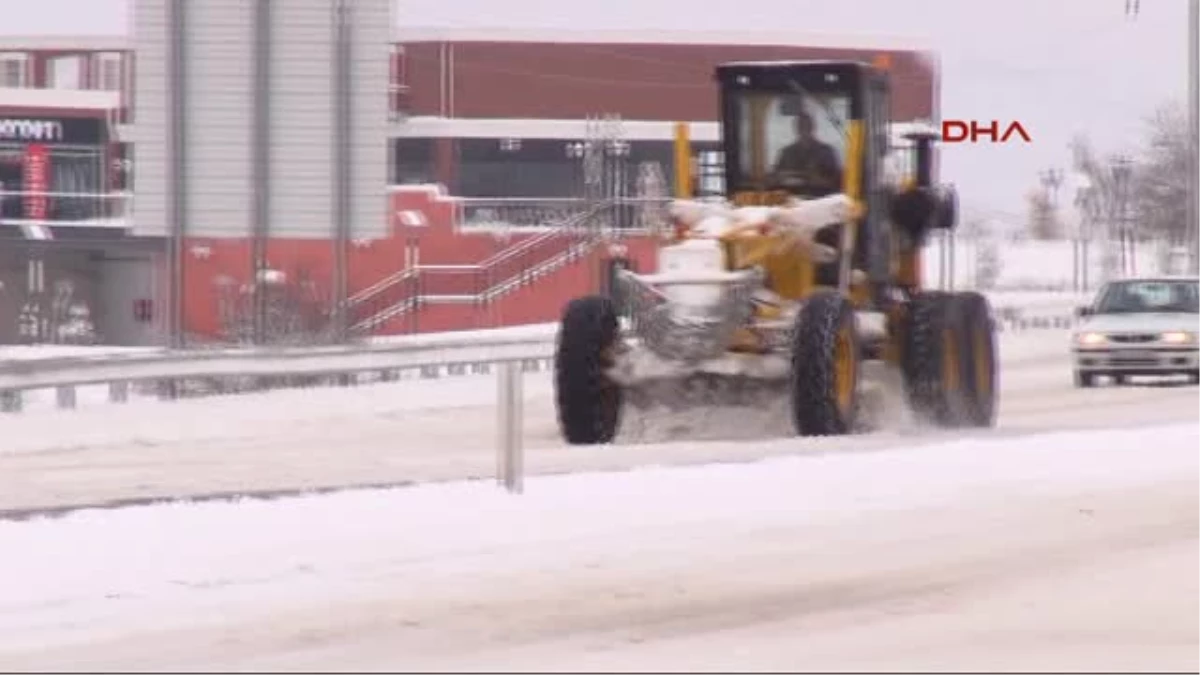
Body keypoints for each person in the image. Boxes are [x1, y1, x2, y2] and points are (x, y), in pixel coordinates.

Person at [772, 110, 843, 194]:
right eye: (800, 127)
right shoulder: (786, 152)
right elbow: (775, 177)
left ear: (813, 128)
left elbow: (837, 182)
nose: (804, 130)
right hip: (791, 198)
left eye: (807, 126)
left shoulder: (827, 152)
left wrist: (820, 180)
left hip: (820, 198)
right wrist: (782, 177)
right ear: (795, 129)